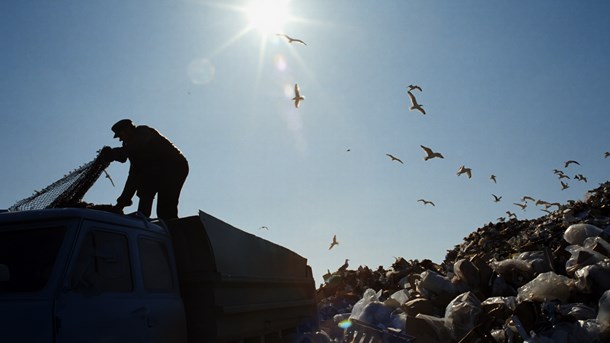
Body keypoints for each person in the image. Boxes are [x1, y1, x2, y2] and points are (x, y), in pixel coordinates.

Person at [101, 119, 189, 220]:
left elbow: (137, 145)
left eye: (120, 135)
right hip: (156, 171)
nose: (120, 139)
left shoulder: (143, 132)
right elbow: (133, 177)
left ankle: (174, 230)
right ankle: (142, 218)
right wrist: (121, 204)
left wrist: (117, 153)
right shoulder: (131, 149)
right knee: (145, 190)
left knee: (165, 209)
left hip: (175, 167)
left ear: (128, 129)